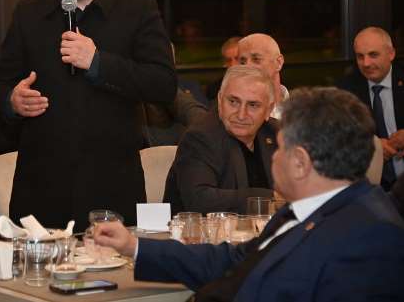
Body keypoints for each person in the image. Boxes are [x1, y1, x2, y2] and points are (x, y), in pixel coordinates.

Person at [96, 87, 404, 301]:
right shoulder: (310, 209)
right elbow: (233, 260)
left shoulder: (368, 238)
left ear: (300, 163)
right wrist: (134, 246)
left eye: (280, 148)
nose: (273, 157)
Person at [0, 0, 177, 227]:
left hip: (111, 185)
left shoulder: (138, 11)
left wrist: (98, 62)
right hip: (41, 188)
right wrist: (12, 100)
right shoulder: (29, 14)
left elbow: (163, 84)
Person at [164, 66, 277, 215]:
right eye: (233, 102)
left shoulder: (277, 134)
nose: (241, 115)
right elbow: (200, 200)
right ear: (219, 100)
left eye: (253, 105)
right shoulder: (200, 137)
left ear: (269, 109)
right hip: (199, 229)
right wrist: (272, 198)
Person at [337, 26, 404, 190]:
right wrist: (371, 145)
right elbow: (338, 136)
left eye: (373, 55)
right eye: (360, 56)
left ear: (391, 54)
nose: (366, 63)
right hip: (370, 188)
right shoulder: (346, 89)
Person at [237, 33, 288, 119]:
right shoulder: (233, 114)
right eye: (242, 62)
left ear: (278, 63)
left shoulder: (303, 109)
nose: (247, 66)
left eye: (256, 59)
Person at [206, 36, 241, 101]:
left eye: (237, 59)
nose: (233, 65)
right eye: (228, 60)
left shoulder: (259, 84)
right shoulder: (215, 88)